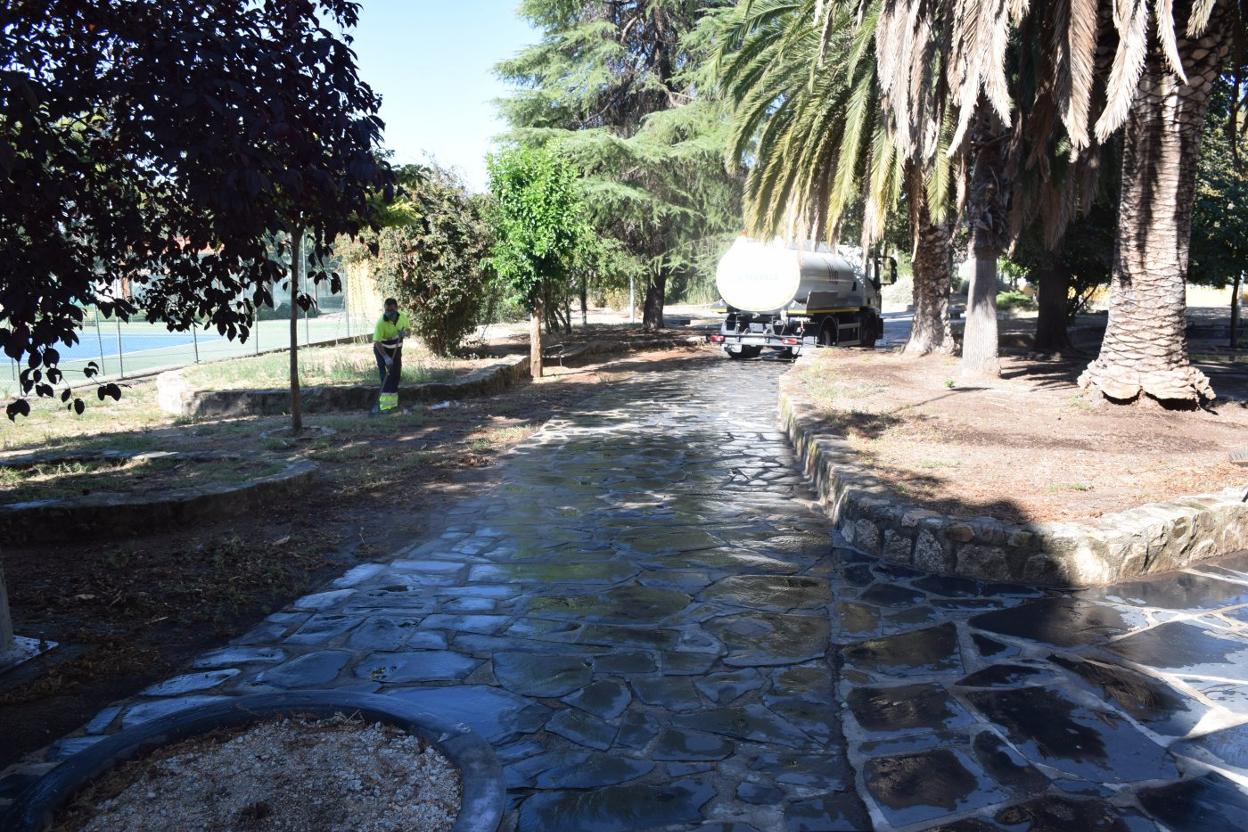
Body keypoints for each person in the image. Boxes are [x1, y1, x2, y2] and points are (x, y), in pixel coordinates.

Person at [373, 298, 409, 412]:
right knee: (386, 376)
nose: (388, 313)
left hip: (396, 350)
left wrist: (405, 333)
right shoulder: (381, 322)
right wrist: (385, 357)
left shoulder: (403, 317)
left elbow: (409, 331)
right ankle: (385, 406)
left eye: (391, 310)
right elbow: (377, 342)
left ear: (396, 309)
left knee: (395, 375)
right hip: (382, 351)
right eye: (386, 310)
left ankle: (392, 404)